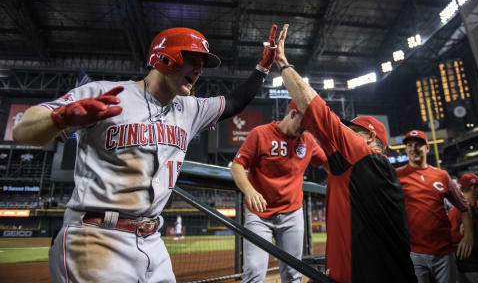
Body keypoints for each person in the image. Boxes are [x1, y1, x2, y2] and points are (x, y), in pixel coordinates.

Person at [12, 25, 279, 282]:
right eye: (194, 60)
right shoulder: (104, 92)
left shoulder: (190, 109)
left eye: (203, 63)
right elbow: (22, 130)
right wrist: (59, 119)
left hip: (153, 241)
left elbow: (234, 102)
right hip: (96, 238)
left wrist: (263, 67)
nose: (199, 70)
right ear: (165, 58)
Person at [274, 24, 416, 282]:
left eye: (353, 131)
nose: (345, 134)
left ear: (370, 137)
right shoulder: (369, 170)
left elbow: (317, 110)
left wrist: (283, 63)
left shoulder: (365, 157)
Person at [230, 101, 327, 282]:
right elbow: (237, 166)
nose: (305, 130)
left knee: (293, 273)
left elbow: (328, 165)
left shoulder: (307, 141)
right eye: (303, 125)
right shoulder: (260, 134)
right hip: (259, 215)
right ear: (292, 114)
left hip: (292, 213)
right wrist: (250, 191)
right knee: (253, 271)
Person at [396, 130, 474, 283]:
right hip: (414, 252)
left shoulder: (441, 175)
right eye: (410, 145)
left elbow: (463, 207)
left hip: (444, 251)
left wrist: (469, 236)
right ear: (405, 149)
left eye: (418, 145)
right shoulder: (397, 175)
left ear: (427, 148)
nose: (414, 149)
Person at [448, 173, 478, 283]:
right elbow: (450, 238)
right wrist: (461, 234)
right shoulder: (456, 211)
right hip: (469, 265)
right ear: (473, 187)